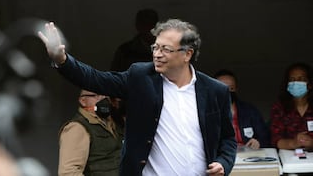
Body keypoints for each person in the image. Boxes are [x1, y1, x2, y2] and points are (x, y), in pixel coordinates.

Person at [38, 19, 237, 176]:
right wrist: (62, 60)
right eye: (155, 48)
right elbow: (95, 79)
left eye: (165, 49)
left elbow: (228, 139)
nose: (157, 54)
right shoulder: (140, 77)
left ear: (187, 54)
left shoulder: (215, 91)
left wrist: (223, 164)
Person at [58, 89, 123, 176]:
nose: (103, 99)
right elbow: (69, 172)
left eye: (106, 95)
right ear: (83, 101)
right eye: (96, 95)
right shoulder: (78, 128)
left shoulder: (113, 122)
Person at [214, 69, 270, 149]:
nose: (227, 92)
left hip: (248, 157)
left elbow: (265, 137)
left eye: (231, 88)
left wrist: (258, 142)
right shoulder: (204, 113)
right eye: (222, 89)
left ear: (236, 89)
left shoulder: (250, 111)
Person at [270, 62, 313, 150]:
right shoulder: (279, 108)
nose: (296, 82)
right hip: (288, 158)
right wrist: (293, 143)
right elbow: (275, 140)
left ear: (310, 84)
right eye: (292, 79)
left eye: (301, 79)